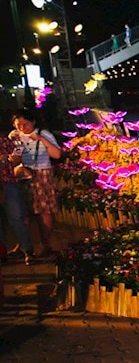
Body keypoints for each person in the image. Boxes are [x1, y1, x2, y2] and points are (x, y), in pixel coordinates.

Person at [10, 111, 61, 258]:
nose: (22, 128)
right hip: (23, 175)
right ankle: (24, 245)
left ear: (33, 122)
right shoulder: (15, 136)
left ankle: (46, 245)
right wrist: (14, 157)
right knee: (23, 212)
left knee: (44, 211)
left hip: (42, 174)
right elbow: (16, 157)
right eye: (18, 125)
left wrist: (41, 139)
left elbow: (57, 154)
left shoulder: (43, 134)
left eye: (25, 124)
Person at [0, 128, 34, 264]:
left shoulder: (3, 139)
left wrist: (11, 160)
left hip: (7, 183)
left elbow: (17, 155)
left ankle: (28, 250)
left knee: (16, 218)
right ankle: (2, 253)